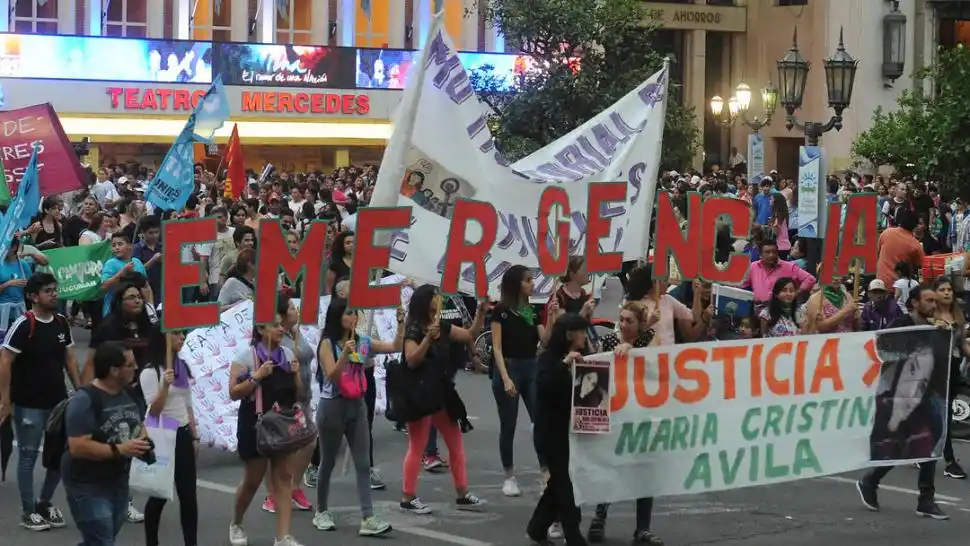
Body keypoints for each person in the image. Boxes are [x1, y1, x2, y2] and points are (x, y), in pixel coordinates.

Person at [311, 296, 403, 536]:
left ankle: (368, 516)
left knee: (363, 463)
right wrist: (344, 355)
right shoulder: (327, 344)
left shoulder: (362, 340)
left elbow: (394, 346)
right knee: (327, 462)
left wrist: (401, 322)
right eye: (348, 313)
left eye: (355, 313)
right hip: (332, 407)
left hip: (357, 405)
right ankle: (321, 511)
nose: (353, 317)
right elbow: (331, 374)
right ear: (337, 317)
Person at [856, 285, 948, 520]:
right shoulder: (900, 324)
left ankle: (926, 499)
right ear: (915, 302)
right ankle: (871, 479)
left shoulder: (935, 327)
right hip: (901, 394)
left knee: (931, 440)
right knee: (900, 445)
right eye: (928, 300)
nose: (934, 305)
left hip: (926, 395)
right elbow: (883, 349)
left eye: (935, 301)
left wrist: (942, 334)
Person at [396, 284, 486, 514]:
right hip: (420, 394)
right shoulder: (414, 329)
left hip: (442, 392)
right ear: (425, 302)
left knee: (455, 443)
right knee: (417, 446)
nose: (439, 299)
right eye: (435, 296)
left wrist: (481, 313)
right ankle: (408, 497)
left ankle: (463, 493)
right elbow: (411, 360)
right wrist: (427, 339)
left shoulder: (442, 325)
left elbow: (468, 335)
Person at [0, 272, 78, 531]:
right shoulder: (24, 324)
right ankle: (27, 510)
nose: (54, 294)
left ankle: (43, 502)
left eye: (55, 290)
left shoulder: (61, 322)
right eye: (48, 291)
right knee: (28, 456)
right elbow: (5, 361)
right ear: (33, 297)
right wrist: (5, 400)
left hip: (58, 403)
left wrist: (81, 390)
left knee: (59, 457)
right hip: (28, 403)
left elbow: (69, 358)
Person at [228, 309, 306, 546]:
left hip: (283, 424)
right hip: (256, 424)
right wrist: (256, 376)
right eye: (274, 325)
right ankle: (237, 522)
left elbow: (300, 393)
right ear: (260, 330)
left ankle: (283, 537)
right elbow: (233, 392)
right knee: (252, 481)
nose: (281, 329)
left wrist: (295, 375)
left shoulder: (288, 354)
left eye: (282, 325)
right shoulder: (245, 356)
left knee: (283, 478)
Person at [62, 341, 151, 545]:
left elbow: (139, 423)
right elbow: (77, 446)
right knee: (102, 536)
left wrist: (143, 442)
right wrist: (120, 449)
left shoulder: (130, 393)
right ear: (113, 370)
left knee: (103, 535)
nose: (135, 368)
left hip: (117, 479)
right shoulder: (85, 400)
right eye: (130, 364)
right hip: (86, 482)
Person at [588, 302, 660, 545]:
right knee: (611, 465)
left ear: (641, 324)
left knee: (645, 470)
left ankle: (643, 528)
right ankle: (600, 515)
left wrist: (633, 350)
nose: (624, 324)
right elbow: (595, 370)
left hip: (642, 414)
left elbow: (655, 361)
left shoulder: (651, 338)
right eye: (622, 319)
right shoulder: (609, 341)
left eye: (630, 321)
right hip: (617, 414)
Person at [491, 265, 554, 497]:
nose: (532, 283)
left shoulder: (532, 310)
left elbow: (545, 340)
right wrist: (506, 378)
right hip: (508, 367)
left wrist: (552, 318)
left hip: (531, 367)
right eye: (528, 280)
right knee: (509, 424)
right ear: (517, 283)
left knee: (540, 420)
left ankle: (546, 473)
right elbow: (496, 347)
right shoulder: (502, 311)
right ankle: (509, 476)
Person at [528, 313, 589, 546]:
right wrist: (565, 364)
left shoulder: (583, 355)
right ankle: (573, 534)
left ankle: (537, 526)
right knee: (565, 483)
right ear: (569, 335)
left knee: (559, 483)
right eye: (581, 331)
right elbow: (544, 384)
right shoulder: (549, 359)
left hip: (570, 430)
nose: (584, 336)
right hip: (550, 432)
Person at [140, 329, 199, 546]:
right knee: (160, 494)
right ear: (163, 338)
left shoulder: (181, 366)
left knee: (189, 496)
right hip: (163, 436)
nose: (182, 337)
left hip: (182, 434)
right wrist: (165, 386)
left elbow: (188, 404)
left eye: (183, 334)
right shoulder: (150, 372)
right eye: (176, 333)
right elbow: (153, 411)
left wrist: (194, 435)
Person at [931, 276, 970, 480]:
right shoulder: (929, 314)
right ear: (934, 293)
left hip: (952, 368)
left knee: (941, 415)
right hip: (933, 369)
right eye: (942, 289)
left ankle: (922, 453)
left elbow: (962, 345)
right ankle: (949, 461)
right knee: (941, 415)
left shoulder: (957, 314)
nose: (947, 293)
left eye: (949, 289)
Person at [743, 239, 816, 304]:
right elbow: (742, 284)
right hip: (758, 311)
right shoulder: (753, 267)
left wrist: (795, 293)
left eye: (774, 252)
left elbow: (810, 279)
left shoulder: (789, 267)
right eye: (767, 252)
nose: (771, 255)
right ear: (760, 255)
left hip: (782, 313)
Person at [100, 232, 153, 318]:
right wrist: (121, 273)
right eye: (114, 245)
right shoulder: (111, 263)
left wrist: (151, 309)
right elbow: (103, 286)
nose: (117, 248)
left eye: (120, 244)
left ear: (129, 246)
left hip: (137, 310)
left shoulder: (137, 262)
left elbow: (146, 286)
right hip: (114, 312)